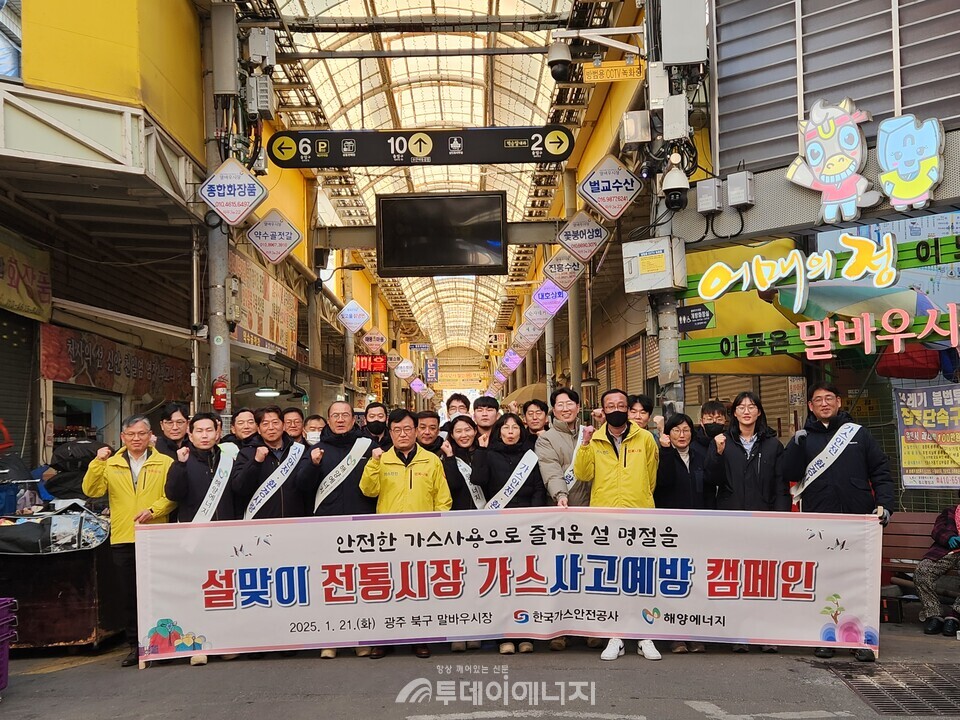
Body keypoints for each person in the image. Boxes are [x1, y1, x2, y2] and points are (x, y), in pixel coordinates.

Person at [782, 381, 893, 662]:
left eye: (829, 398)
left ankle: (862, 639)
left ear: (839, 402)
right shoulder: (805, 438)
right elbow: (788, 473)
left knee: (859, 580)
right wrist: (795, 445)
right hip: (821, 520)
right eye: (818, 399)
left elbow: (880, 470)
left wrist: (885, 505)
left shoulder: (858, 434)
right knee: (825, 578)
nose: (824, 403)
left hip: (858, 520)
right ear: (810, 406)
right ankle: (825, 637)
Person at [574, 389, 661, 662]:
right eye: (610, 405)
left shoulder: (645, 438)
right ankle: (616, 636)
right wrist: (585, 444)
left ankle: (645, 636)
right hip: (605, 518)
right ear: (602, 410)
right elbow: (582, 474)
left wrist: (640, 499)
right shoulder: (595, 440)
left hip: (639, 517)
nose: (616, 409)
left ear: (628, 408)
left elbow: (651, 477)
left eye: (621, 405)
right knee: (612, 577)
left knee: (641, 575)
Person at [82, 415, 175, 667]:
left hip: (155, 535)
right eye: (131, 434)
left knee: (158, 591)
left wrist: (154, 511)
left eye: (141, 434)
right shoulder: (110, 463)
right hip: (123, 537)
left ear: (150, 435)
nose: (136, 438)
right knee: (129, 595)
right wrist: (97, 462)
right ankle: (136, 646)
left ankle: (164, 643)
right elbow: (92, 491)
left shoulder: (165, 462)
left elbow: (173, 495)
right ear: (123, 437)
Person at [360, 409, 452, 659]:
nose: (403, 434)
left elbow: (443, 499)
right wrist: (373, 463)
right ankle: (383, 639)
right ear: (390, 432)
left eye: (408, 429)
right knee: (387, 588)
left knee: (418, 588)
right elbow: (368, 490)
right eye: (397, 430)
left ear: (416, 431)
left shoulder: (431, 460)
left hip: (422, 537)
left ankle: (419, 639)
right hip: (388, 537)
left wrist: (436, 529)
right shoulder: (381, 459)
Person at [705, 391, 787, 654]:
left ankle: (766, 633)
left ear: (759, 412)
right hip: (731, 519)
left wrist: (780, 518)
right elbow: (711, 479)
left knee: (763, 577)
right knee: (736, 577)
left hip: (764, 519)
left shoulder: (773, 445)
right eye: (741, 407)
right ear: (734, 413)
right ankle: (737, 632)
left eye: (752, 406)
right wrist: (717, 454)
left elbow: (781, 485)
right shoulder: (722, 442)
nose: (747, 411)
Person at [294, 400, 376, 659]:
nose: (340, 420)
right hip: (326, 526)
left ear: (354, 419)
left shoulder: (369, 447)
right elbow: (301, 486)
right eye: (335, 415)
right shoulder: (316, 449)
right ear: (328, 420)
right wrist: (313, 464)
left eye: (345, 415)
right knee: (330, 584)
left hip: (361, 525)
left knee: (360, 584)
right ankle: (330, 639)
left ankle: (360, 637)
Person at [163, 412, 239, 666]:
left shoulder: (228, 460)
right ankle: (197, 644)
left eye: (209, 430)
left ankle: (224, 641)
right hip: (193, 538)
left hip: (225, 537)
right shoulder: (183, 460)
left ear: (218, 433)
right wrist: (180, 465)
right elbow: (173, 494)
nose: (205, 436)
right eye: (199, 431)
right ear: (190, 433)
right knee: (196, 592)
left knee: (224, 591)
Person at [470, 412, 546, 655]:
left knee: (525, 581)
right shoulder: (489, 453)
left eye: (515, 427)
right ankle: (505, 635)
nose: (510, 432)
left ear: (521, 431)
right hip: (498, 525)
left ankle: (526, 636)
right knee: (502, 581)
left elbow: (538, 488)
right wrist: (481, 451)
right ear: (498, 431)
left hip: (526, 524)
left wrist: (534, 517)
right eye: (506, 427)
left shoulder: (530, 455)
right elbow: (478, 479)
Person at [535, 387, 594, 652]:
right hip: (561, 512)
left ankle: (590, 626)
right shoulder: (546, 439)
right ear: (553, 409)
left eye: (570, 403)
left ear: (578, 406)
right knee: (561, 572)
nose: (565, 408)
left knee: (589, 571)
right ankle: (559, 630)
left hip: (592, 511)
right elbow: (550, 469)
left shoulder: (591, 433)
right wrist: (560, 494)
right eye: (560, 404)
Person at [655, 413, 710, 654]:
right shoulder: (661, 454)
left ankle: (695, 633)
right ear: (668, 433)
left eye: (686, 430)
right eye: (676, 430)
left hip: (698, 528)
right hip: (670, 530)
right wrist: (666, 451)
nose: (682, 435)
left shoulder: (700, 456)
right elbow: (663, 482)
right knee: (674, 582)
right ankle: (675, 636)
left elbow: (709, 487)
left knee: (696, 582)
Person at [438, 414, 484, 653]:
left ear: (475, 430)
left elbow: (482, 480)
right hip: (455, 524)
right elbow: (453, 486)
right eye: (458, 431)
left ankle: (476, 629)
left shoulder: (485, 452)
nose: (464, 435)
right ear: (452, 435)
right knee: (457, 579)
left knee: (480, 579)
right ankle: (458, 630)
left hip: (484, 524)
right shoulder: (445, 456)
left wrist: (483, 452)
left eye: (467, 430)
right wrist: (449, 457)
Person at [230, 405, 307, 519]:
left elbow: (307, 486)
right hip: (260, 521)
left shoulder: (298, 451)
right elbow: (239, 487)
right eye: (265, 424)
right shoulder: (247, 453)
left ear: (283, 425)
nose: (271, 428)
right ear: (258, 429)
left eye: (275, 423)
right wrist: (255, 462)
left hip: (295, 520)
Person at [914, 492, 960, 638]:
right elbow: (937, 530)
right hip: (946, 551)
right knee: (922, 571)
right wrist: (950, 537)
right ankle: (934, 615)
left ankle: (955, 616)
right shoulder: (949, 512)